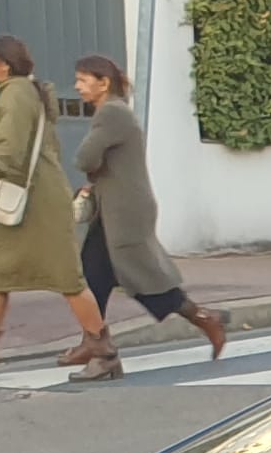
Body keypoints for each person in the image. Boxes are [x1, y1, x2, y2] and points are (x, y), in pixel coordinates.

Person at [0, 37, 114, 379]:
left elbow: (11, 148)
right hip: (28, 198)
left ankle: (104, 352)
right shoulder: (21, 90)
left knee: (66, 277)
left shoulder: (17, 93)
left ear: (3, 64)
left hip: (39, 202)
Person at [61, 57, 228, 373]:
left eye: (83, 80)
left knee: (145, 280)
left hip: (125, 212)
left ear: (103, 82)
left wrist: (95, 168)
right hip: (116, 210)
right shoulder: (113, 112)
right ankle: (95, 344)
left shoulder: (111, 113)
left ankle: (206, 319)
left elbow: (84, 158)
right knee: (93, 276)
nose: (78, 87)